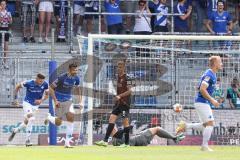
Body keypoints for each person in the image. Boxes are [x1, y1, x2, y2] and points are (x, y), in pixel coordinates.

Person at [176, 56, 223, 151]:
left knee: (205, 125)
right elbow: (202, 89)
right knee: (210, 124)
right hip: (202, 102)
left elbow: (200, 87)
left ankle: (186, 126)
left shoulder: (212, 74)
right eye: (220, 62)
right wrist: (212, 100)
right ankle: (204, 146)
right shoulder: (209, 74)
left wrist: (213, 99)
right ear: (215, 64)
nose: (222, 64)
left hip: (202, 102)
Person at [95, 59, 132, 147]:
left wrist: (120, 96)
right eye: (117, 67)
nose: (118, 69)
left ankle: (127, 143)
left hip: (124, 104)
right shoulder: (118, 77)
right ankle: (105, 141)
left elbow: (130, 91)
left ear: (124, 68)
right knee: (111, 119)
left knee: (125, 122)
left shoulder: (128, 77)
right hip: (118, 104)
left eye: (120, 67)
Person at [45, 63, 82, 148]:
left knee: (71, 119)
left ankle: (67, 143)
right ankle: (49, 117)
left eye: (76, 70)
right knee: (59, 122)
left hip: (68, 100)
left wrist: (80, 102)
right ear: (69, 70)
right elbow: (50, 88)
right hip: (58, 101)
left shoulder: (76, 78)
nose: (75, 72)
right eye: (74, 70)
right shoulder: (61, 78)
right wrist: (55, 100)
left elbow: (78, 89)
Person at [8, 74, 49, 146]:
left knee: (26, 122)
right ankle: (28, 140)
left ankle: (16, 130)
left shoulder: (45, 84)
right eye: (40, 81)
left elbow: (47, 94)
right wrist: (15, 99)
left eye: (42, 81)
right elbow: (17, 86)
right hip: (27, 103)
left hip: (36, 105)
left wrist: (41, 100)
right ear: (36, 78)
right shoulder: (29, 83)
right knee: (32, 119)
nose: (41, 82)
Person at [111, 125, 185, 146]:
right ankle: (174, 138)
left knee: (156, 130)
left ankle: (174, 138)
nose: (115, 128)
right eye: (114, 128)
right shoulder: (118, 137)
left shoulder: (114, 141)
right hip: (139, 139)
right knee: (157, 129)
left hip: (137, 139)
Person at [0, 0, 12, 69]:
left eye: (4, 4)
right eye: (2, 4)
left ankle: (5, 62)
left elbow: (10, 22)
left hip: (6, 30)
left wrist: (8, 19)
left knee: (6, 47)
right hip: (0, 29)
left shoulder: (8, 13)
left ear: (6, 5)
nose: (3, 6)